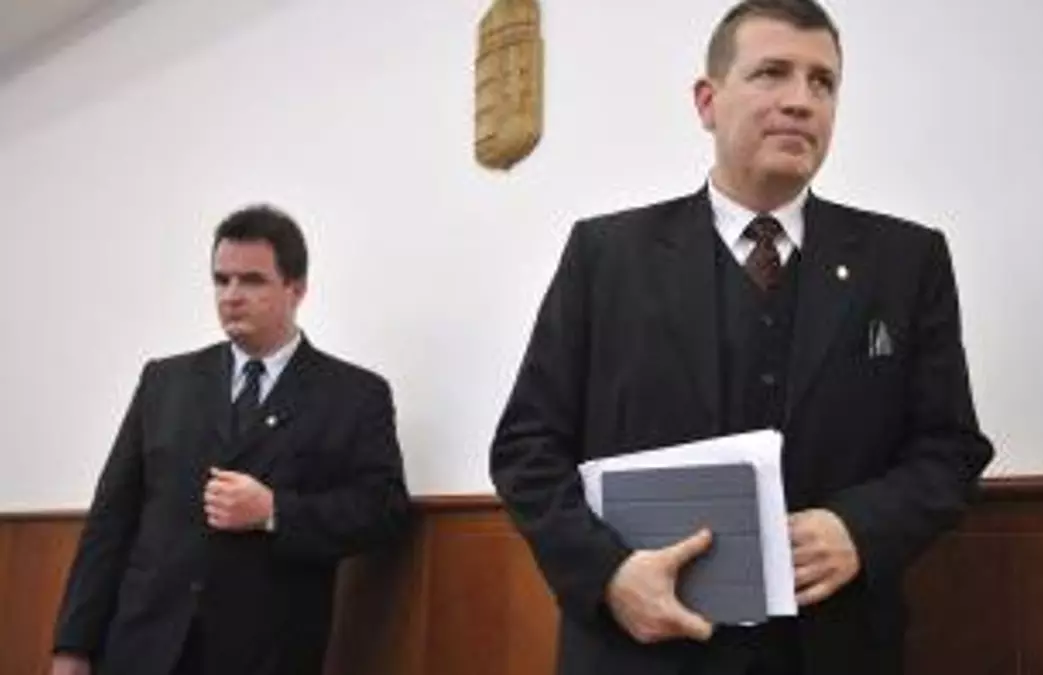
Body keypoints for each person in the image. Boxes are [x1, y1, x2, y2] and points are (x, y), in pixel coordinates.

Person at [489, 1, 994, 673]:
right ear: (708, 101)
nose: (801, 100)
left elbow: (950, 449)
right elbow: (526, 447)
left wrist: (861, 529)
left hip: (836, 648)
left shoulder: (907, 262)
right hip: (643, 652)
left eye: (822, 82)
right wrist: (608, 574)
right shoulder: (605, 256)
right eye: (772, 73)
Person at [49, 205, 410, 675]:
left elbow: (383, 510)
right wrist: (72, 646)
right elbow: (110, 520)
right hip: (143, 649)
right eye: (222, 280)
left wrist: (275, 511)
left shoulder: (353, 395)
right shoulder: (164, 382)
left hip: (267, 652)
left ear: (296, 289)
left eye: (252, 281)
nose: (232, 296)